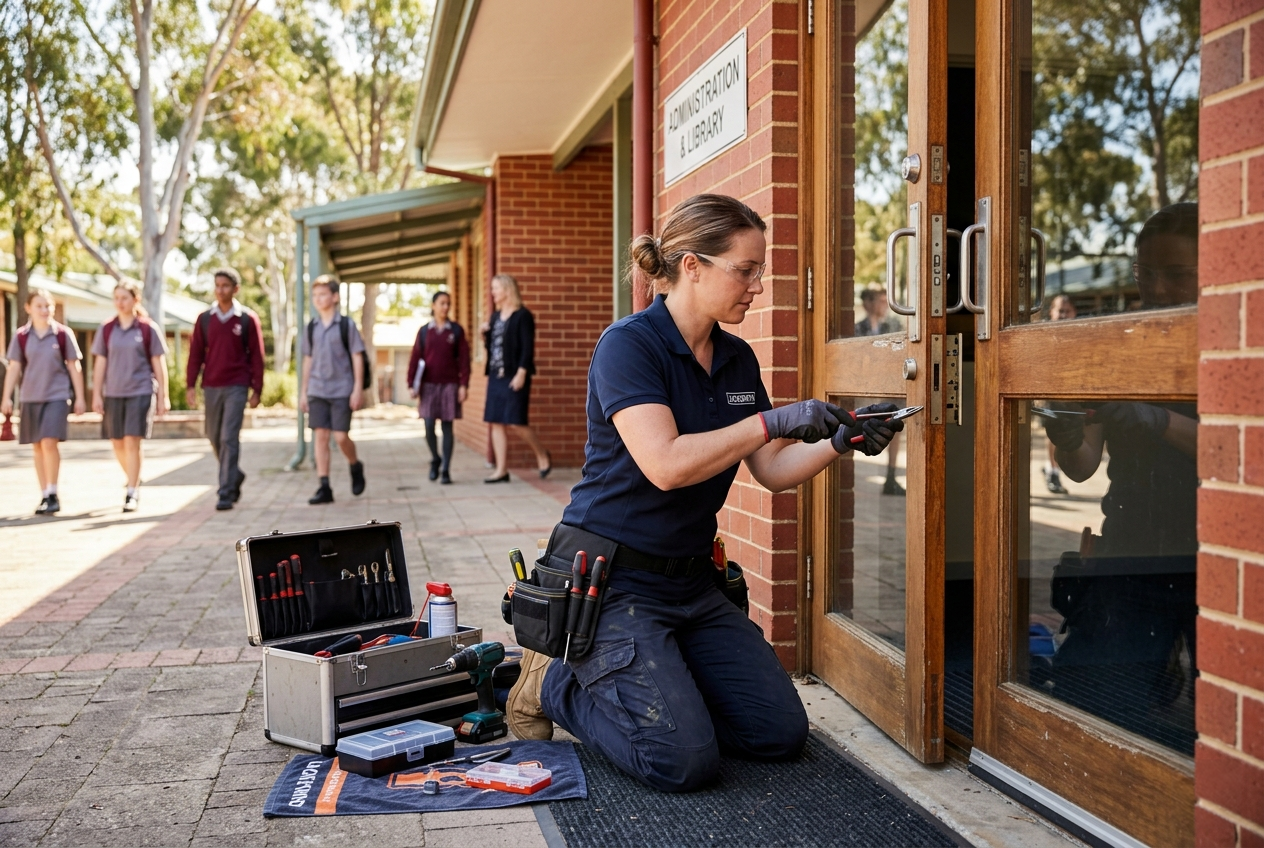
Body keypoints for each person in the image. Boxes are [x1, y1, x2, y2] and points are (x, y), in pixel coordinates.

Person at [505, 194, 904, 792]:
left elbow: (769, 468)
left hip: (690, 582)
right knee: (681, 762)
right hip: (612, 581)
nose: (758, 286)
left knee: (778, 735)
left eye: (760, 271)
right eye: (745, 270)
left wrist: (843, 441)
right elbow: (665, 465)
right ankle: (560, 684)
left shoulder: (737, 358)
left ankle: (662, 682)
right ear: (691, 266)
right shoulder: (628, 345)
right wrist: (772, 420)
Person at [1040, 203, 1199, 743]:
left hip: (1216, 557)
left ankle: (1164, 669)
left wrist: (1157, 418)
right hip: (1130, 548)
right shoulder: (1120, 343)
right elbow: (1083, 467)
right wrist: (1065, 435)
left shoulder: (1235, 339)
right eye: (1145, 273)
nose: (1157, 287)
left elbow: (1237, 448)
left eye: (1176, 274)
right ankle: (1155, 672)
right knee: (1090, 708)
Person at [1, 289, 86, 515]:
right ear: (28, 308)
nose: (44, 310)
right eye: (39, 306)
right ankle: (44, 493)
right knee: (37, 446)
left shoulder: (62, 334)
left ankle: (53, 493)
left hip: (57, 395)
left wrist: (80, 398)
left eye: (47, 306)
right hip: (30, 396)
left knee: (49, 442)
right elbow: (14, 368)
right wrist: (6, 397)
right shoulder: (21, 336)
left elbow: (74, 366)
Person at [186, 268, 265, 511]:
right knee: (212, 435)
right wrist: (190, 385)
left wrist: (257, 389)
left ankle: (226, 491)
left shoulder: (247, 319)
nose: (220, 290)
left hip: (237, 385)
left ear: (235, 289)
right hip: (211, 385)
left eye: (225, 286)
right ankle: (235, 475)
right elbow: (196, 354)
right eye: (217, 285)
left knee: (229, 437)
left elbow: (257, 357)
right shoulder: (205, 319)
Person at [91, 280, 169, 512]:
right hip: (114, 393)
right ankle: (134, 476)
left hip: (141, 390)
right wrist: (96, 393)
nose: (120, 303)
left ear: (135, 300)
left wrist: (163, 395)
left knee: (132, 440)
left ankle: (132, 492)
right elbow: (100, 364)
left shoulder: (147, 328)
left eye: (124, 298)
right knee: (117, 442)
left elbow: (158, 362)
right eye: (116, 298)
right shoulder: (107, 329)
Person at [299, 275, 366, 504]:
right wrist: (303, 391)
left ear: (335, 297)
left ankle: (355, 464)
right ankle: (324, 487)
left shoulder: (346, 325)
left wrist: (357, 388)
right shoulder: (311, 328)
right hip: (317, 389)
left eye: (323, 294)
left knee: (340, 436)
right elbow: (307, 360)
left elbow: (357, 357)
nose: (318, 299)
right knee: (320, 437)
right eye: (315, 295)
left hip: (342, 389)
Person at [481, 274, 551, 482]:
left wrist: (522, 373)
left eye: (496, 289)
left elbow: (527, 348)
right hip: (496, 376)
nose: (492, 293)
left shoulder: (523, 316)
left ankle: (542, 454)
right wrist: (482, 336)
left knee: (516, 421)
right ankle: (501, 470)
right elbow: (492, 349)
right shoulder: (494, 317)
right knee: (495, 422)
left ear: (507, 290)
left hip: (515, 375)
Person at [407, 290, 470, 485]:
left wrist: (463, 385)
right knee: (428, 424)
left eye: (448, 304)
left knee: (447, 427)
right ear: (433, 305)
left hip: (450, 385)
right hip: (428, 386)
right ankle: (435, 458)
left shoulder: (456, 331)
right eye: (442, 303)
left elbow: (464, 361)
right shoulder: (425, 331)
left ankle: (445, 470)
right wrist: (411, 384)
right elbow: (415, 358)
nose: (445, 307)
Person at [855, 286, 904, 495]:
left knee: (894, 424)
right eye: (880, 301)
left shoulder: (893, 325)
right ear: (868, 304)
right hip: (865, 388)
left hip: (888, 387)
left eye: (886, 301)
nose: (884, 305)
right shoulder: (858, 328)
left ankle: (891, 476)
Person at [1042, 294, 1078, 494]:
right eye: (1059, 311)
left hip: (1073, 391)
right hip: (1052, 391)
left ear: (1075, 312)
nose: (1063, 315)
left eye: (1067, 311)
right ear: (1051, 312)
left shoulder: (1080, 335)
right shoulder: (1046, 334)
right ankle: (1052, 470)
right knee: (1053, 429)